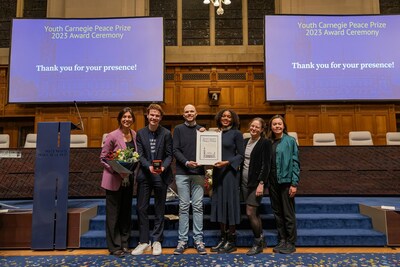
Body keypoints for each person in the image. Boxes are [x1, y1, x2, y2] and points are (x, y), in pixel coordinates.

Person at [131, 104, 173, 256]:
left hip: (161, 176)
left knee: (159, 208)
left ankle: (156, 240)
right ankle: (143, 241)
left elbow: (169, 155)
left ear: (160, 118)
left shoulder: (167, 133)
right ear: (147, 116)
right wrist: (149, 166)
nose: (154, 117)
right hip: (145, 175)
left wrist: (164, 167)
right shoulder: (140, 133)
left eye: (157, 115)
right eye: (152, 115)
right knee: (141, 208)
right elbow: (140, 154)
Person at [100, 107, 138, 257]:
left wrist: (128, 172)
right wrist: (118, 171)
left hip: (128, 180)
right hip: (114, 180)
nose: (127, 119)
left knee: (125, 213)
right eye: (124, 117)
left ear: (133, 120)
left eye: (129, 117)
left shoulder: (135, 135)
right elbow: (103, 158)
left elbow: (135, 156)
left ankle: (124, 243)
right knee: (113, 215)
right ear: (120, 119)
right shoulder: (112, 136)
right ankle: (115, 247)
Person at [173, 104, 207, 255]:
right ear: (183, 114)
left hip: (199, 172)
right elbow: (175, 150)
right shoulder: (178, 129)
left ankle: (199, 240)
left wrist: (206, 137)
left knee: (198, 206)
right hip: (182, 173)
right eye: (186, 111)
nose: (189, 113)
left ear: (196, 113)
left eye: (192, 111)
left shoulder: (202, 130)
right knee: (184, 207)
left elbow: (208, 149)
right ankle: (182, 241)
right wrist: (187, 162)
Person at [210, 109, 244, 254]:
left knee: (230, 205)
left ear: (233, 119)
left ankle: (231, 241)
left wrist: (227, 162)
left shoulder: (237, 134)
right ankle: (223, 239)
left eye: (229, 116)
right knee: (220, 204)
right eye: (223, 116)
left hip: (230, 173)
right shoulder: (216, 134)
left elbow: (241, 155)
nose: (225, 118)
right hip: (218, 173)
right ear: (219, 118)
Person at [266, 115, 300, 254]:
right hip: (272, 181)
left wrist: (294, 183)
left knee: (288, 213)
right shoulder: (269, 141)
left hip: (286, 182)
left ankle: (291, 242)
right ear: (271, 126)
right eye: (274, 124)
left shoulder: (290, 141)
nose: (277, 126)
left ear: (284, 126)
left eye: (279, 124)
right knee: (277, 213)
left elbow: (295, 162)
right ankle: (282, 240)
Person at [241, 117, 272, 256]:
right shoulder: (245, 141)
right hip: (243, 183)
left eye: (257, 127)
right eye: (252, 126)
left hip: (256, 184)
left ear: (262, 129)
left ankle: (257, 242)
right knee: (255, 213)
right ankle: (262, 239)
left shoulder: (265, 143)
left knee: (250, 212)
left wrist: (261, 183)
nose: (254, 129)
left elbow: (266, 165)